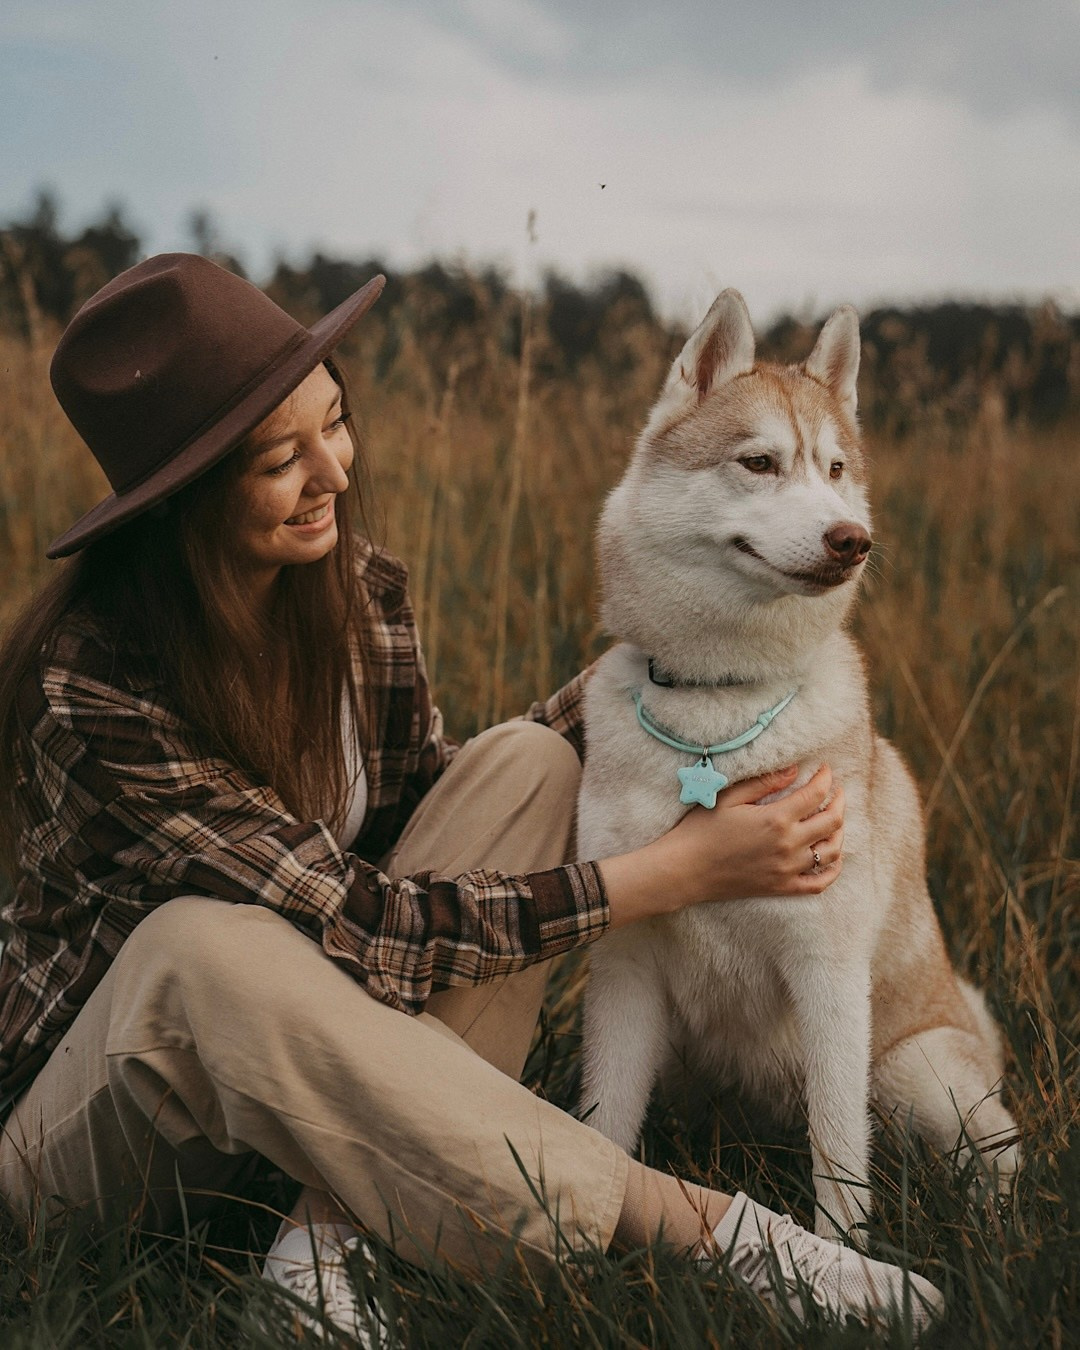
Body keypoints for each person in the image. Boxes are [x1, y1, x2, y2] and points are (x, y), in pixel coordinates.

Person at [0, 254, 942, 1340]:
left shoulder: (354, 594)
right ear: (181, 502)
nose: (334, 475)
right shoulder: (93, 682)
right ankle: (718, 1237)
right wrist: (670, 874)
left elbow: (424, 827)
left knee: (528, 766)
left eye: (336, 424)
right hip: (105, 1130)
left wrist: (665, 685)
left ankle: (324, 1239)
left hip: (310, 1065)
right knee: (202, 949)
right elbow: (368, 924)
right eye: (278, 460)